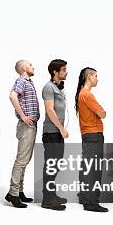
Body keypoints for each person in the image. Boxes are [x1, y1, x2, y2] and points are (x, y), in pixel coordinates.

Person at [6, 60, 39, 208]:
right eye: (30, 65)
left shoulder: (28, 82)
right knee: (21, 160)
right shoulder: (21, 80)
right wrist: (24, 116)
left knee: (25, 159)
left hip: (31, 126)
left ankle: (19, 191)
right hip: (26, 126)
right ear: (24, 68)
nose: (33, 67)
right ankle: (13, 193)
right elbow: (12, 96)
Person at [75, 67, 109, 212]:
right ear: (89, 76)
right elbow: (102, 113)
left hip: (87, 135)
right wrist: (102, 112)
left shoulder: (81, 94)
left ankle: (84, 196)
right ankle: (91, 202)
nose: (97, 78)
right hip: (94, 134)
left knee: (87, 167)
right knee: (93, 169)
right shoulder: (87, 95)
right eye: (95, 76)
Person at [41, 59, 69, 211]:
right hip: (51, 133)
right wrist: (61, 128)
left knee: (56, 165)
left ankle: (51, 194)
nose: (66, 72)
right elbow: (50, 110)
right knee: (51, 166)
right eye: (63, 69)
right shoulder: (48, 87)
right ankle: (47, 200)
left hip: (57, 133)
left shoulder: (59, 87)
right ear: (55, 72)